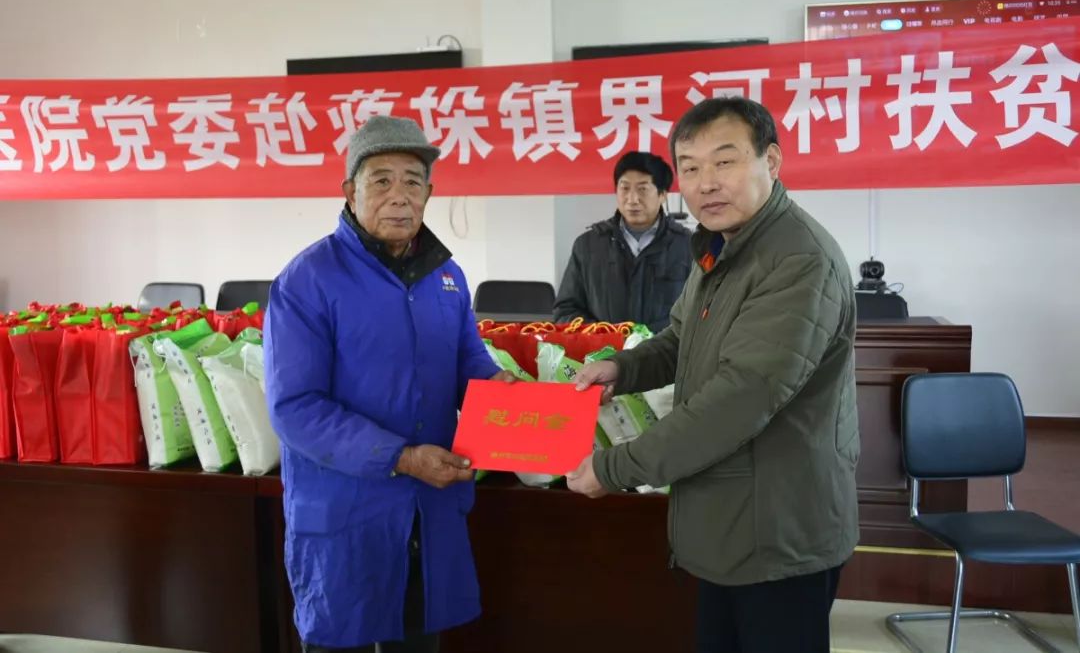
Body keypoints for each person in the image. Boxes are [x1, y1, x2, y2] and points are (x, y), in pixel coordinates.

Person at [567, 97, 859, 653]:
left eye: (724, 161)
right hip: (731, 520)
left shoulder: (797, 259)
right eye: (691, 167)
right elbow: (682, 337)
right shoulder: (722, 246)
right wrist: (621, 368)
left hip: (778, 529)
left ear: (771, 161)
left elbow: (740, 397)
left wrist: (616, 467)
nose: (706, 183)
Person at [264, 115, 512, 653]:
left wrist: (503, 388)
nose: (399, 195)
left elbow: (468, 360)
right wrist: (401, 457)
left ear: (429, 194)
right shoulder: (307, 280)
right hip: (346, 512)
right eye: (381, 180)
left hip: (428, 507)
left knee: (419, 639)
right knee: (341, 636)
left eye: (413, 181)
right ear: (349, 192)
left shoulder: (446, 277)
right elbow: (295, 407)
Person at [553, 151, 691, 332]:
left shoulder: (688, 246)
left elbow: (701, 313)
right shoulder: (588, 246)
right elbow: (565, 311)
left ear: (663, 194)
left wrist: (652, 339)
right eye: (624, 188)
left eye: (642, 189)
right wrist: (604, 334)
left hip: (666, 349)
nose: (632, 199)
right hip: (603, 348)